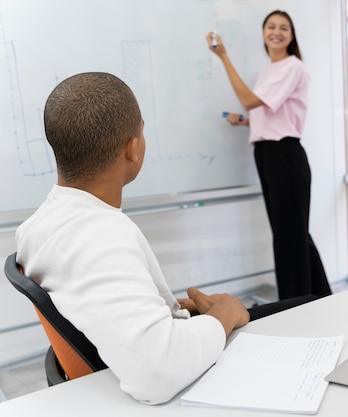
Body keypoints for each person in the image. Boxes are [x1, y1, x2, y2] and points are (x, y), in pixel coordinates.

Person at [15, 72, 314, 405]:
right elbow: (157, 372)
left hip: (122, 358)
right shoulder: (98, 235)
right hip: (173, 388)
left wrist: (162, 309)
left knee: (301, 305)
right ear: (132, 148)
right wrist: (225, 315)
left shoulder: (40, 224)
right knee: (309, 308)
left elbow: (97, 299)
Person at [205, 10, 331, 300]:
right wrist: (247, 121)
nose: (277, 31)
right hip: (269, 153)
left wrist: (223, 56)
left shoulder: (291, 66)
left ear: (291, 35)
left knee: (289, 238)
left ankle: (294, 304)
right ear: (263, 33)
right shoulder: (270, 70)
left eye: (283, 28)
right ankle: (320, 298)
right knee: (295, 235)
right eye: (271, 26)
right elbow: (273, 113)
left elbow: (250, 100)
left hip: (283, 155)